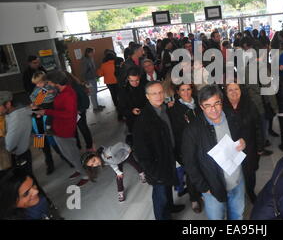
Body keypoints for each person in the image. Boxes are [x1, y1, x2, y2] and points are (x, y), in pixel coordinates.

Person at [182, 85, 247, 220]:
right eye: (208, 105)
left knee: (237, 215)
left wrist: (243, 142)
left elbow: (242, 135)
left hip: (237, 180)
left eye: (216, 103)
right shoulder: (192, 130)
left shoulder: (232, 117)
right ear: (201, 107)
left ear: (221, 102)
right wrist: (204, 188)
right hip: (212, 187)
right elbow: (189, 163)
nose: (213, 109)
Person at [132, 81, 185, 220]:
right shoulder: (143, 120)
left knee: (168, 186)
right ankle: (162, 217)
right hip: (157, 165)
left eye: (161, 92)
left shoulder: (164, 109)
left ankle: (171, 207)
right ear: (147, 96)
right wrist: (153, 172)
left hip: (168, 155)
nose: (158, 96)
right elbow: (141, 151)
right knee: (160, 194)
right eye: (154, 93)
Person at [34, 71, 89, 187]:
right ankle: (52, 164)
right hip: (48, 124)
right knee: (48, 146)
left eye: (42, 82)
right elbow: (37, 101)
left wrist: (45, 111)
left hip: (60, 127)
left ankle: (85, 173)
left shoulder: (66, 93)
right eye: (37, 84)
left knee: (69, 152)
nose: (40, 85)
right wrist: (37, 105)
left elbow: (68, 113)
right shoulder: (53, 90)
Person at [223, 83, 265, 204]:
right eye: (230, 90)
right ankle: (235, 195)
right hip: (230, 149)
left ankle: (250, 191)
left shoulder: (250, 104)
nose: (233, 92)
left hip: (249, 148)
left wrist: (260, 146)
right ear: (226, 93)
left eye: (236, 89)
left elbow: (258, 126)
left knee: (250, 173)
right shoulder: (222, 107)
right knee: (232, 173)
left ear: (241, 90)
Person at [168, 83, 203, 213]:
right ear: (178, 92)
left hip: (202, 143)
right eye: (183, 90)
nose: (186, 92)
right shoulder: (173, 109)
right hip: (186, 147)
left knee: (204, 168)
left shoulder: (200, 103)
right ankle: (194, 199)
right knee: (191, 172)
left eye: (188, 89)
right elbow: (175, 132)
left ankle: (203, 192)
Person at [81, 142, 146, 202]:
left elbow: (120, 144)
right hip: (117, 162)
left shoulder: (108, 153)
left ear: (95, 154)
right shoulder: (103, 160)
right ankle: (120, 192)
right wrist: (118, 172)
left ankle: (142, 174)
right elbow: (112, 163)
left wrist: (128, 149)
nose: (95, 164)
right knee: (118, 177)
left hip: (126, 156)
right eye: (92, 165)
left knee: (135, 165)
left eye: (94, 160)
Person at [1, 91, 33, 174]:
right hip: (22, 151)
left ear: (8, 104)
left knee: (26, 180)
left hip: (21, 154)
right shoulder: (10, 114)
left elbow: (9, 145)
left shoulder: (16, 118)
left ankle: (49, 161)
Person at [118, 67, 147, 147]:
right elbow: (121, 109)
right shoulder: (123, 91)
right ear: (128, 79)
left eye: (137, 80)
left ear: (139, 77)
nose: (135, 83)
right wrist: (131, 111)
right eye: (132, 81)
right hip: (132, 121)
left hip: (146, 116)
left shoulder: (145, 86)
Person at [65, 72, 94, 151]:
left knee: (82, 128)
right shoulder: (46, 90)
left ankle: (88, 146)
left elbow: (84, 100)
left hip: (76, 112)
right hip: (41, 118)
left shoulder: (75, 87)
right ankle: (47, 156)